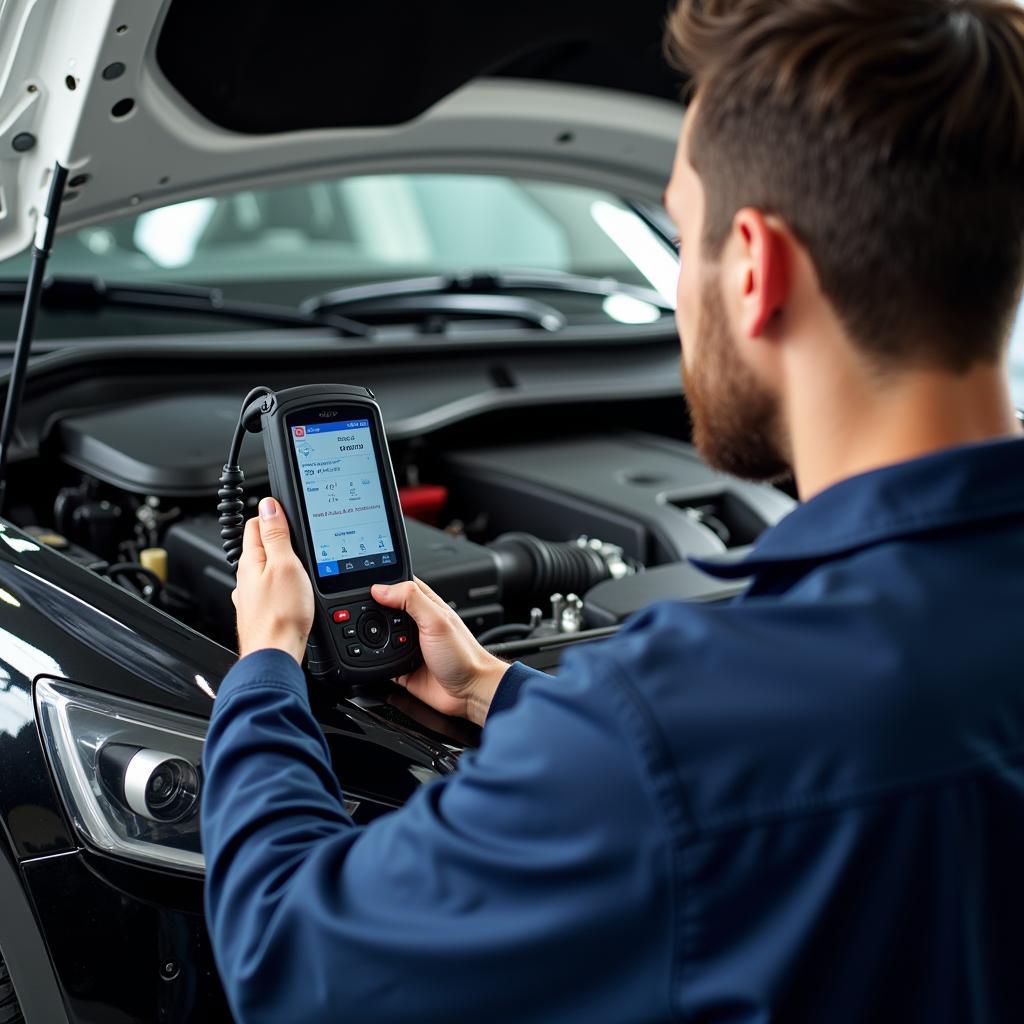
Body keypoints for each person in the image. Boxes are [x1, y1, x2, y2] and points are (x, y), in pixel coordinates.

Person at [200, 1, 1024, 1021]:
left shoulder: (669, 732)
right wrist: (499, 692)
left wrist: (265, 673)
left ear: (756, 270)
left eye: (682, 235)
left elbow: (291, 959)